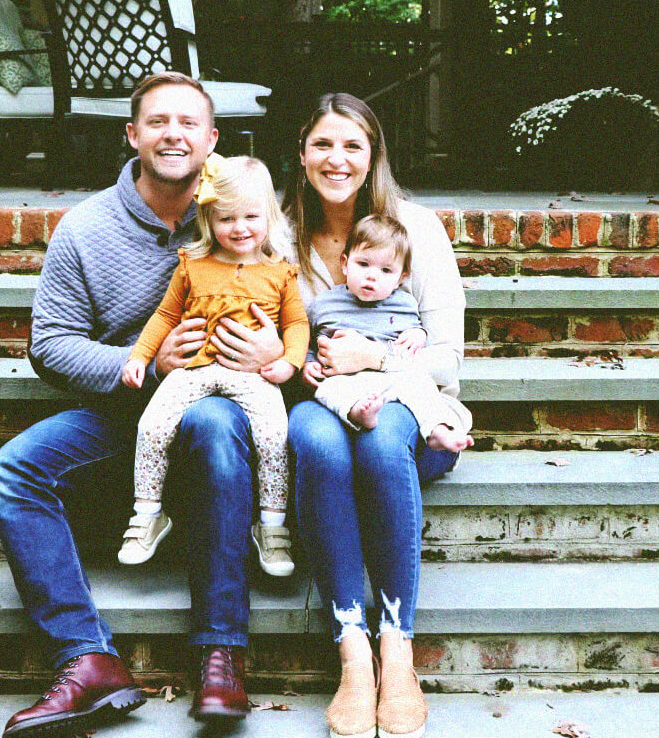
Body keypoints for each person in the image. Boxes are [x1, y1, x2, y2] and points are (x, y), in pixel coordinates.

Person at [0, 72, 284, 737]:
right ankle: (87, 658)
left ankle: (220, 652)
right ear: (132, 134)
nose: (173, 134)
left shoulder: (249, 214)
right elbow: (50, 345)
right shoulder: (86, 227)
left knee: (212, 421)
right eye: (157, 122)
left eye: (188, 123)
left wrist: (273, 353)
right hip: (127, 411)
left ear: (212, 140)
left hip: (226, 412)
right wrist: (142, 365)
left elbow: (301, 314)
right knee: (13, 469)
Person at [284, 93, 472, 738]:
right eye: (323, 144)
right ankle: (351, 649)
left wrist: (377, 360)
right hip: (317, 402)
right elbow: (271, 331)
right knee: (322, 445)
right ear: (302, 152)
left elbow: (448, 355)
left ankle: (397, 644)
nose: (336, 159)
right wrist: (295, 361)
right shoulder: (281, 235)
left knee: (381, 443)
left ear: (373, 157)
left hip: (405, 404)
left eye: (352, 146)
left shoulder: (415, 229)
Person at [119, 154, 308, 577]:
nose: (239, 228)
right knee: (152, 425)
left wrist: (290, 362)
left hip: (253, 376)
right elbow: (165, 316)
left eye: (251, 217)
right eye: (226, 219)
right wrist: (139, 357)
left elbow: (297, 323)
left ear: (269, 217)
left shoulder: (280, 272)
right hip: (193, 369)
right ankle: (148, 515)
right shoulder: (193, 265)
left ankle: (272, 527)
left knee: (275, 434)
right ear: (208, 219)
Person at [305, 214, 473, 450]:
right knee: (328, 390)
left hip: (391, 378)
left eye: (386, 270)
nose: (372, 275)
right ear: (345, 263)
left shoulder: (404, 304)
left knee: (420, 384)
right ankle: (359, 412)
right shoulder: (324, 305)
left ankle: (437, 429)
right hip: (344, 380)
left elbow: (414, 331)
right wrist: (309, 364)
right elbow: (310, 342)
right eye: (363, 264)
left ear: (400, 278)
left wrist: (419, 334)